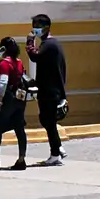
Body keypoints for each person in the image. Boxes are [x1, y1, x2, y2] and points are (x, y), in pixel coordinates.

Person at [0, 37, 31, 171]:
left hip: (8, 98)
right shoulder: (19, 63)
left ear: (4, 49)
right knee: (19, 129)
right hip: (20, 99)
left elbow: (3, 82)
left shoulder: (4, 63)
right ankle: (21, 159)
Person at [28, 13, 70, 166]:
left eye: (37, 27)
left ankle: (55, 154)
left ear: (46, 27)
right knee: (47, 120)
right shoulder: (50, 44)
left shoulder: (49, 45)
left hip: (50, 90)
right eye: (33, 27)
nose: (34, 30)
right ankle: (58, 147)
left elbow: (34, 56)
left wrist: (29, 41)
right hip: (49, 89)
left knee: (48, 120)